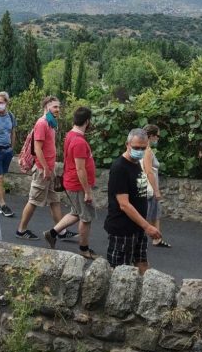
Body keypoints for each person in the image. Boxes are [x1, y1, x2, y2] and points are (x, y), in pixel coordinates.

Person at [15, 96, 76, 241]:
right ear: (46, 107)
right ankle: (21, 230)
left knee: (54, 200)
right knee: (34, 200)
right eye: (55, 107)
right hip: (43, 170)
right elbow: (37, 149)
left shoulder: (51, 123)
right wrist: (46, 169)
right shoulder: (42, 123)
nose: (58, 110)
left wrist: (51, 168)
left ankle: (60, 231)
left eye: (59, 107)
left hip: (49, 168)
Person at [104, 128, 162, 274]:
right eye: (136, 148)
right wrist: (148, 226)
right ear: (127, 144)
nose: (140, 151)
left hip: (138, 227)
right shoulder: (120, 168)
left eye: (143, 148)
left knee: (142, 262)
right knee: (120, 271)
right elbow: (124, 204)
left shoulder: (136, 163)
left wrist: (143, 226)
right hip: (122, 229)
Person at [42, 107, 97, 260]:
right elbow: (80, 169)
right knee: (86, 218)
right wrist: (87, 191)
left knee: (75, 212)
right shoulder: (79, 141)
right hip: (78, 185)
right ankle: (84, 249)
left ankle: (52, 234)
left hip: (71, 182)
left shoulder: (70, 135)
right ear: (87, 121)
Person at [143, 124, 171, 248]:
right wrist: (156, 190)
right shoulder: (147, 151)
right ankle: (137, 238)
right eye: (157, 136)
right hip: (149, 187)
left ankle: (157, 239)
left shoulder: (142, 148)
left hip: (147, 185)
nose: (158, 138)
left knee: (155, 213)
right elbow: (149, 171)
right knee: (148, 214)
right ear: (151, 136)